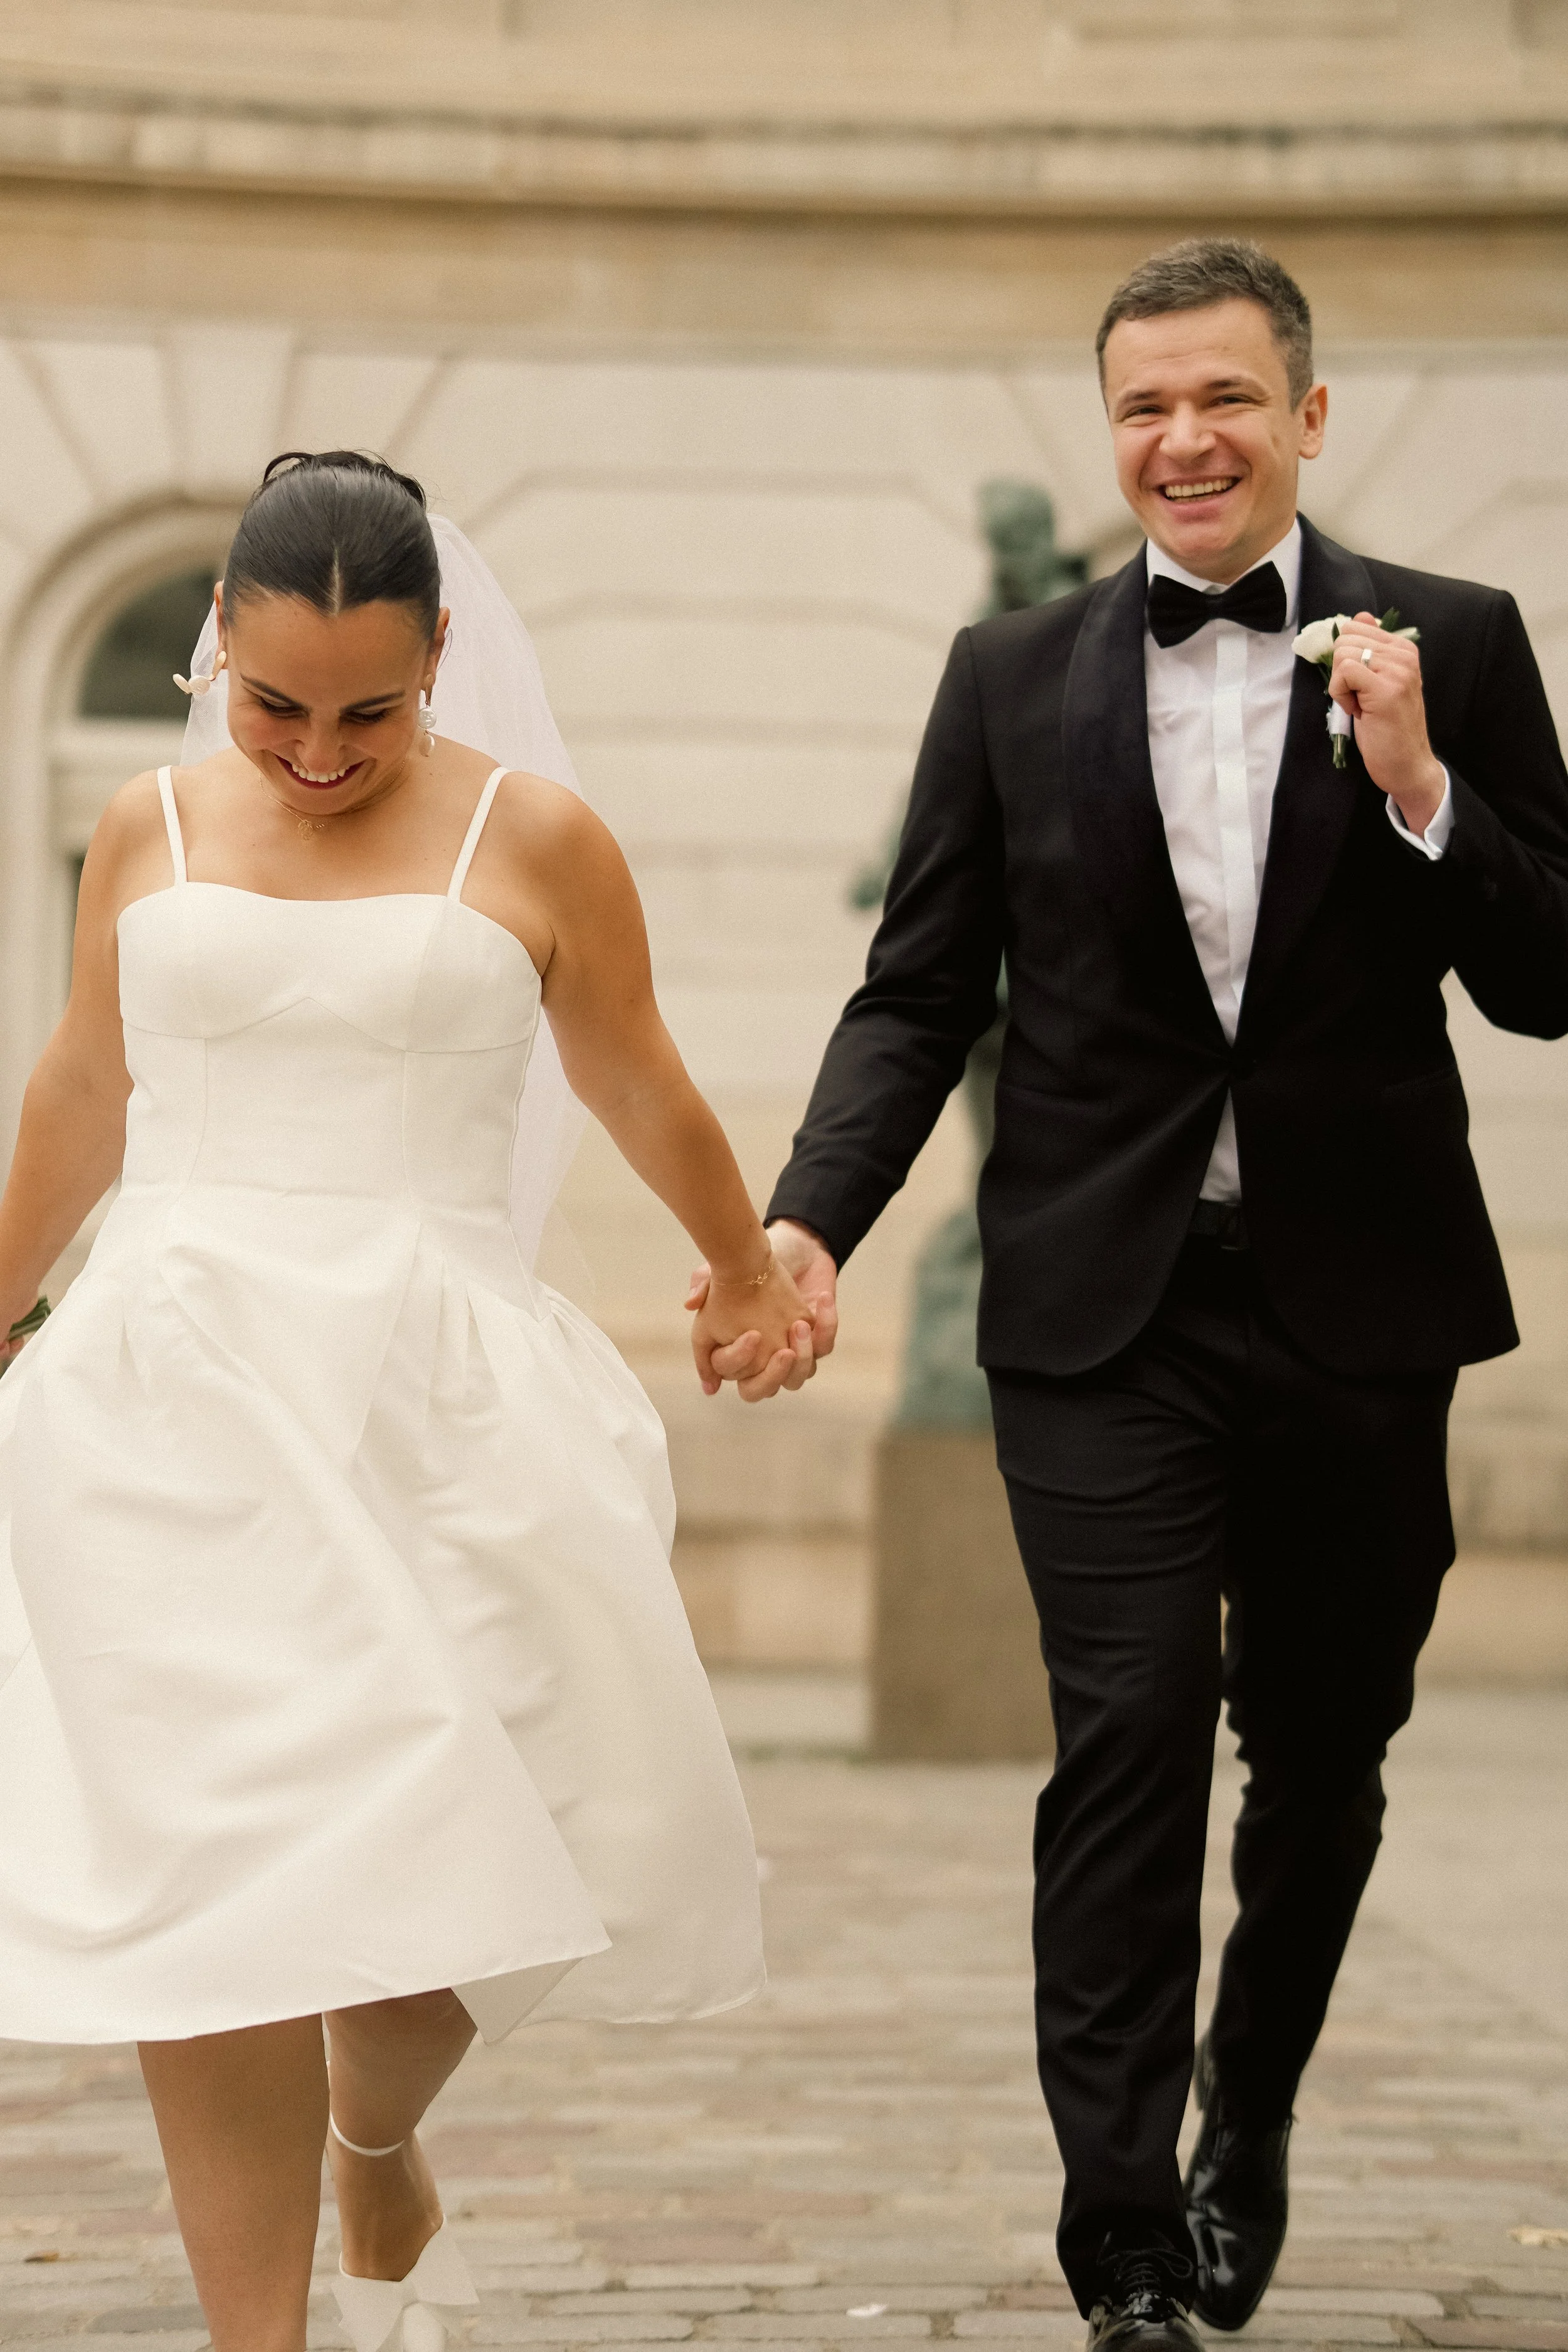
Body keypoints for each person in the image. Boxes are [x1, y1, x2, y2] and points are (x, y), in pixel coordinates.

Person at [712, 241, 1568, 2346]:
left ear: (1304, 412)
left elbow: (1550, 975)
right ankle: (1114, 2233)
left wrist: (1421, 789)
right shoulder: (1007, 677)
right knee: (1124, 1734)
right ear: (1109, 433)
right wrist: (809, 1219)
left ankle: (1243, 2113)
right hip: (1100, 1308)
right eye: (1139, 409)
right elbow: (916, 995)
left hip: (1357, 1304)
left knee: (1327, 1748)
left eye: (1222, 400)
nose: (1180, 440)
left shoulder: (1449, 640)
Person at [0, 452, 817, 2352]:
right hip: (175, 1406)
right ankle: (256, 2339)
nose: (314, 750)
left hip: (438, 1391)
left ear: (442, 653)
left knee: (537, 1825)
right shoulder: (145, 826)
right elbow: (81, 1092)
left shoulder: (535, 842)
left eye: (370, 709)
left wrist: (751, 1262)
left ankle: (374, 2127)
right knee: (220, 1880)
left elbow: (636, 1078)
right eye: (275, 703)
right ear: (219, 643)